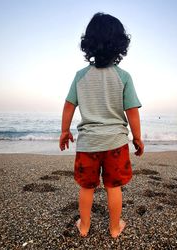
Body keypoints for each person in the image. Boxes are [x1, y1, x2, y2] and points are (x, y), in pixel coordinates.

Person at [59, 12, 144, 238]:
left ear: (88, 44)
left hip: (88, 143)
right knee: (113, 187)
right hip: (115, 143)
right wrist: (137, 138)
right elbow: (132, 112)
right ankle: (115, 228)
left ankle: (84, 226)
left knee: (86, 188)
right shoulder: (123, 76)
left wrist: (64, 131)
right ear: (120, 46)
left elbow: (69, 106)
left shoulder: (80, 76)